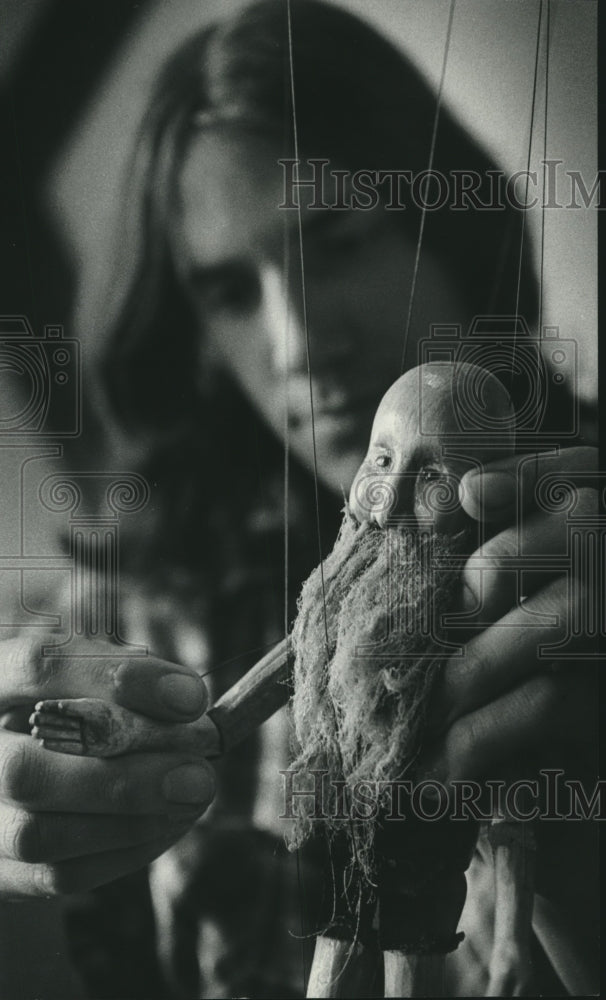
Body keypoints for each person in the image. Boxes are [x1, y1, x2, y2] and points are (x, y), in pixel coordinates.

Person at [0, 1, 598, 996]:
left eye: (336, 241)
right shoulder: (156, 607)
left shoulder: (585, 553)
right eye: (232, 294)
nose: (296, 344)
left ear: (442, 224)